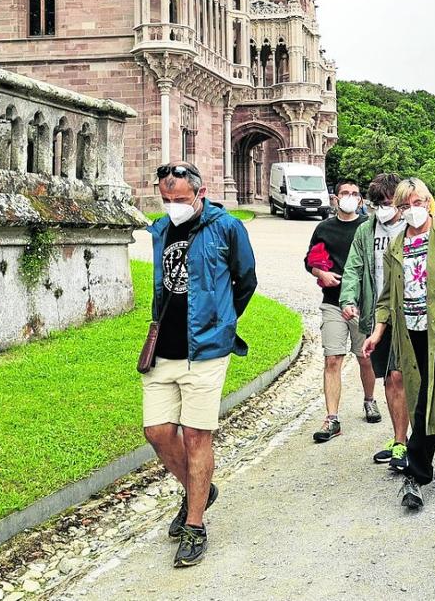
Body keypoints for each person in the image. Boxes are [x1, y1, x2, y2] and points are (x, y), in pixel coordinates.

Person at [142, 161, 258, 568]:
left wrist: (223, 320)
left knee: (196, 436)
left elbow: (246, 280)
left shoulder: (227, 227)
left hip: (206, 350)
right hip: (162, 348)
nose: (172, 205)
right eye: (166, 198)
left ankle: (195, 523)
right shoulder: (160, 230)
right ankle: (200, 489)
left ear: (199, 193)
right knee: (156, 431)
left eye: (180, 199)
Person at [364, 178, 435, 510]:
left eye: (418, 202)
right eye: (405, 205)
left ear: (430, 202)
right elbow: (386, 298)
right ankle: (424, 468)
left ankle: (423, 468)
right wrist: (378, 333)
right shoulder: (396, 248)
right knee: (425, 397)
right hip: (411, 333)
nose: (413, 210)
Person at [340, 172, 410, 470]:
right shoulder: (366, 232)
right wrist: (348, 299)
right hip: (379, 316)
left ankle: (415, 442)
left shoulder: (414, 227)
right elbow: (354, 268)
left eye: (388, 201)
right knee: (390, 378)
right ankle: (399, 441)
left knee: (401, 376)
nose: (383, 207)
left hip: (411, 314)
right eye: (377, 202)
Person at [306, 178, 375, 442]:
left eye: (354, 193)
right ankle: (332, 418)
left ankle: (369, 399)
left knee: (364, 357)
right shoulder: (324, 228)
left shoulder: (368, 228)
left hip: (362, 305)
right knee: (332, 358)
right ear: (335, 198)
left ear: (360, 200)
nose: (349, 197)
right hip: (332, 302)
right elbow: (309, 260)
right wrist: (320, 273)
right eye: (344, 193)